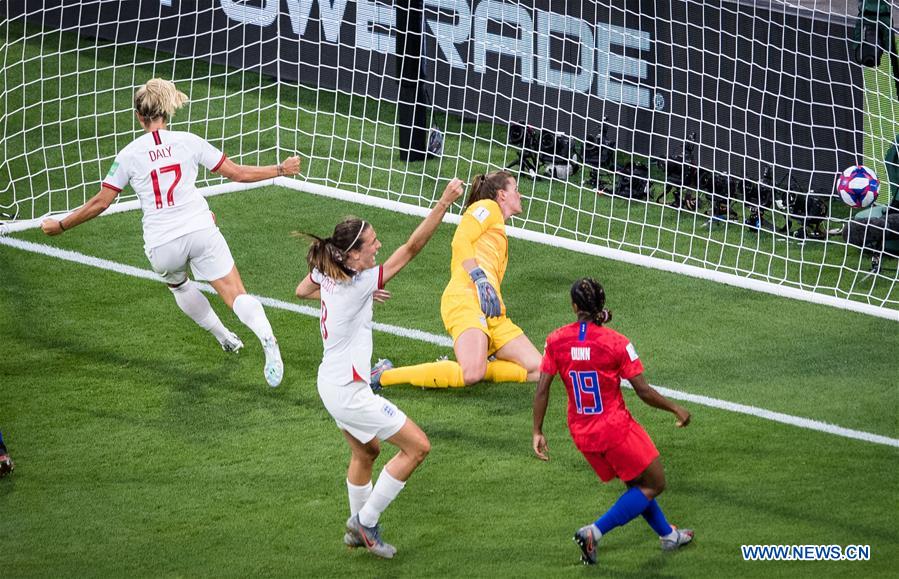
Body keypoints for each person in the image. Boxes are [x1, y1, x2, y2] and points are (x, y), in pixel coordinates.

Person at [40, 78, 300, 388]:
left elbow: (101, 202)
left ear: (139, 116)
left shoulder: (128, 155)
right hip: (200, 229)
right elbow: (238, 174)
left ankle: (224, 337)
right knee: (235, 293)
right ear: (168, 112)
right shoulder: (188, 141)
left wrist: (61, 224)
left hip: (162, 244)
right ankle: (266, 338)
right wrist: (280, 169)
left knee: (178, 285)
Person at [295, 178, 464, 558]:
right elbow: (412, 247)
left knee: (367, 452)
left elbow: (301, 291)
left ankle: (358, 531)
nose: (379, 246)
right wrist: (443, 203)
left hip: (330, 385)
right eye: (372, 244)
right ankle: (366, 521)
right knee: (418, 448)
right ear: (352, 254)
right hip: (350, 392)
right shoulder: (358, 282)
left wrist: (354, 296)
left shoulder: (329, 271)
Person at [532, 277, 694, 565]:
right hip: (615, 429)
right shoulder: (617, 343)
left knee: (636, 484)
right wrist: (675, 408)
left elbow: (542, 388)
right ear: (601, 306)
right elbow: (643, 391)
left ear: (573, 306)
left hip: (582, 433)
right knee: (654, 484)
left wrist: (537, 431)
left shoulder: (555, 341)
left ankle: (668, 535)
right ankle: (594, 532)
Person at [372, 170, 541, 389]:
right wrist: (479, 278)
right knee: (472, 374)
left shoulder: (497, 224)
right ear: (502, 195)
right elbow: (460, 240)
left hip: (492, 310)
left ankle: (455, 367)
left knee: (540, 369)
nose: (521, 195)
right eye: (516, 190)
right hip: (466, 299)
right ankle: (385, 375)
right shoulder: (486, 207)